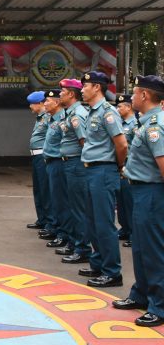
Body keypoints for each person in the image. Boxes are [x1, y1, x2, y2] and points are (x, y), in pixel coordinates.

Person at [113, 75, 164, 327]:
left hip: (152, 193)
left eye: (134, 93)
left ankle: (159, 306)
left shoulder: (155, 127)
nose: (131, 97)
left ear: (144, 95)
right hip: (141, 191)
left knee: (153, 250)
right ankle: (141, 294)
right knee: (141, 248)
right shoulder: (145, 122)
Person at [78, 71, 128, 288]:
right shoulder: (92, 112)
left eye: (85, 86)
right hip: (91, 170)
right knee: (92, 222)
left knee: (104, 223)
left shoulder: (108, 112)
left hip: (103, 171)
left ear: (97, 87)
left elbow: (122, 144)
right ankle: (98, 263)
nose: (82, 90)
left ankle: (112, 272)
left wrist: (117, 166)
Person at [58, 79, 92, 264]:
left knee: (79, 208)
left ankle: (83, 249)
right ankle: (73, 242)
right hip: (70, 163)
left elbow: (84, 142)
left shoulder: (77, 114)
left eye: (62, 92)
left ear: (71, 94)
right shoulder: (70, 112)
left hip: (77, 164)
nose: (59, 95)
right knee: (73, 206)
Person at [40, 90, 72, 249]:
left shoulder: (63, 119)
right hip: (51, 162)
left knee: (62, 201)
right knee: (55, 200)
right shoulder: (52, 119)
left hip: (60, 162)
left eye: (48, 101)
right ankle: (58, 229)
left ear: (57, 102)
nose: (45, 104)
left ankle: (63, 234)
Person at [25, 91, 52, 232]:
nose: (30, 106)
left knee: (45, 189)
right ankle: (42, 219)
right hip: (36, 157)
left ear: (40, 103)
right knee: (38, 189)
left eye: (32, 104)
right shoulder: (40, 117)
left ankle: (49, 222)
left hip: (43, 156)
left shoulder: (48, 117)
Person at [115, 94, 136, 247]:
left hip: (129, 166)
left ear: (128, 107)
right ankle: (124, 228)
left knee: (130, 202)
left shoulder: (135, 124)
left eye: (120, 106)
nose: (117, 109)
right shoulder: (120, 123)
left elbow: (135, 149)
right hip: (119, 166)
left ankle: (134, 233)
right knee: (121, 201)